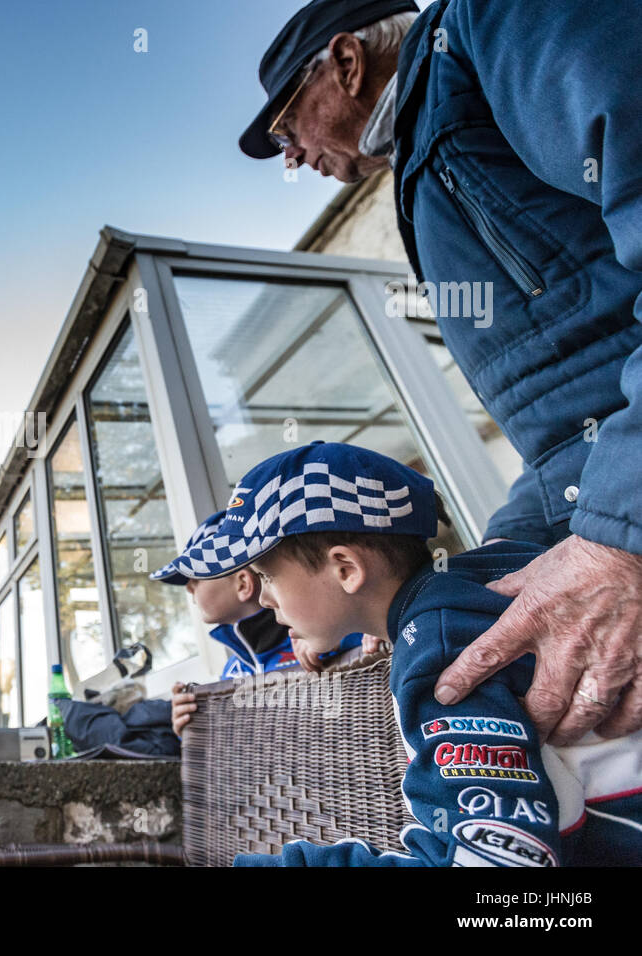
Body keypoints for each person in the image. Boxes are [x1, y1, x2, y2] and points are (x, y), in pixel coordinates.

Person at [237, 0, 642, 748]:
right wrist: (410, 607)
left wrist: (622, 536)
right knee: (449, 636)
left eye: (286, 128)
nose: (291, 156)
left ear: (347, 64)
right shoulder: (422, 164)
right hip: (602, 476)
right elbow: (565, 433)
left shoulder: (498, 30)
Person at [191, 440, 641, 865]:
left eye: (266, 577)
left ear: (346, 569)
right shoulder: (467, 591)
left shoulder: (438, 653)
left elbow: (498, 860)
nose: (263, 601)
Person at [150, 509, 365, 736]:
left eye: (196, 575)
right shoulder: (231, 671)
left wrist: (338, 639)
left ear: (243, 583)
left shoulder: (324, 638)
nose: (188, 587)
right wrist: (196, 726)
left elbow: (379, 642)